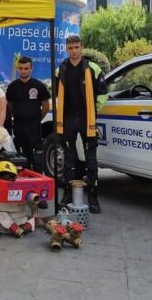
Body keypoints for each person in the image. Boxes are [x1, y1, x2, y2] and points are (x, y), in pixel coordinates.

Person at [56, 35, 107, 214]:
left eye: (77, 47)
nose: (74, 51)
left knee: (91, 162)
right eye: (70, 48)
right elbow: (56, 93)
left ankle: (93, 199)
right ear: (66, 49)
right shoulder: (60, 69)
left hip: (87, 119)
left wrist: (95, 110)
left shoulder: (93, 68)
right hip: (68, 119)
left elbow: (102, 93)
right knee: (69, 161)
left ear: (82, 48)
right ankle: (68, 195)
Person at [6, 57, 50, 173]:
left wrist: (36, 118)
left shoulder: (39, 85)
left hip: (35, 129)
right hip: (19, 128)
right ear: (17, 69)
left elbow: (46, 106)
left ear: (31, 69)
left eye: (26, 68)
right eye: (21, 68)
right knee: (22, 162)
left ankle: (37, 188)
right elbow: (9, 106)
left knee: (37, 162)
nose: (23, 71)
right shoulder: (12, 87)